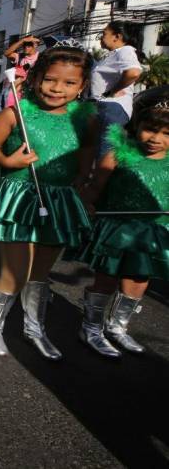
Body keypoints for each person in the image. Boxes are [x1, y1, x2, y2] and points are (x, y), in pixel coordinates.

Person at [0, 41, 97, 361]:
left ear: (82, 85)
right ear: (36, 77)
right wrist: (8, 162)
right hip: (19, 196)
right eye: (50, 79)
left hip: (59, 199)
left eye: (69, 82)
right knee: (16, 272)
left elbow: (87, 149)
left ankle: (34, 327)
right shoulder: (14, 113)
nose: (57, 88)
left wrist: (84, 177)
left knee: (39, 274)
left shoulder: (85, 119)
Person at [78, 93, 168, 357]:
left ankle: (118, 327)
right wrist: (88, 203)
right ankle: (91, 328)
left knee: (138, 280)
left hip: (153, 230)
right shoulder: (117, 155)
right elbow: (95, 186)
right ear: (137, 126)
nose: (156, 139)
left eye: (166, 133)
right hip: (117, 229)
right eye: (150, 129)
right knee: (106, 280)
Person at [91, 21, 143, 158]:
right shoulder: (114, 54)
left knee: (104, 156)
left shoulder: (125, 50)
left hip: (112, 107)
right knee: (98, 153)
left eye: (104, 34)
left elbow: (134, 72)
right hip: (105, 108)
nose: (101, 38)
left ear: (117, 36)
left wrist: (112, 91)